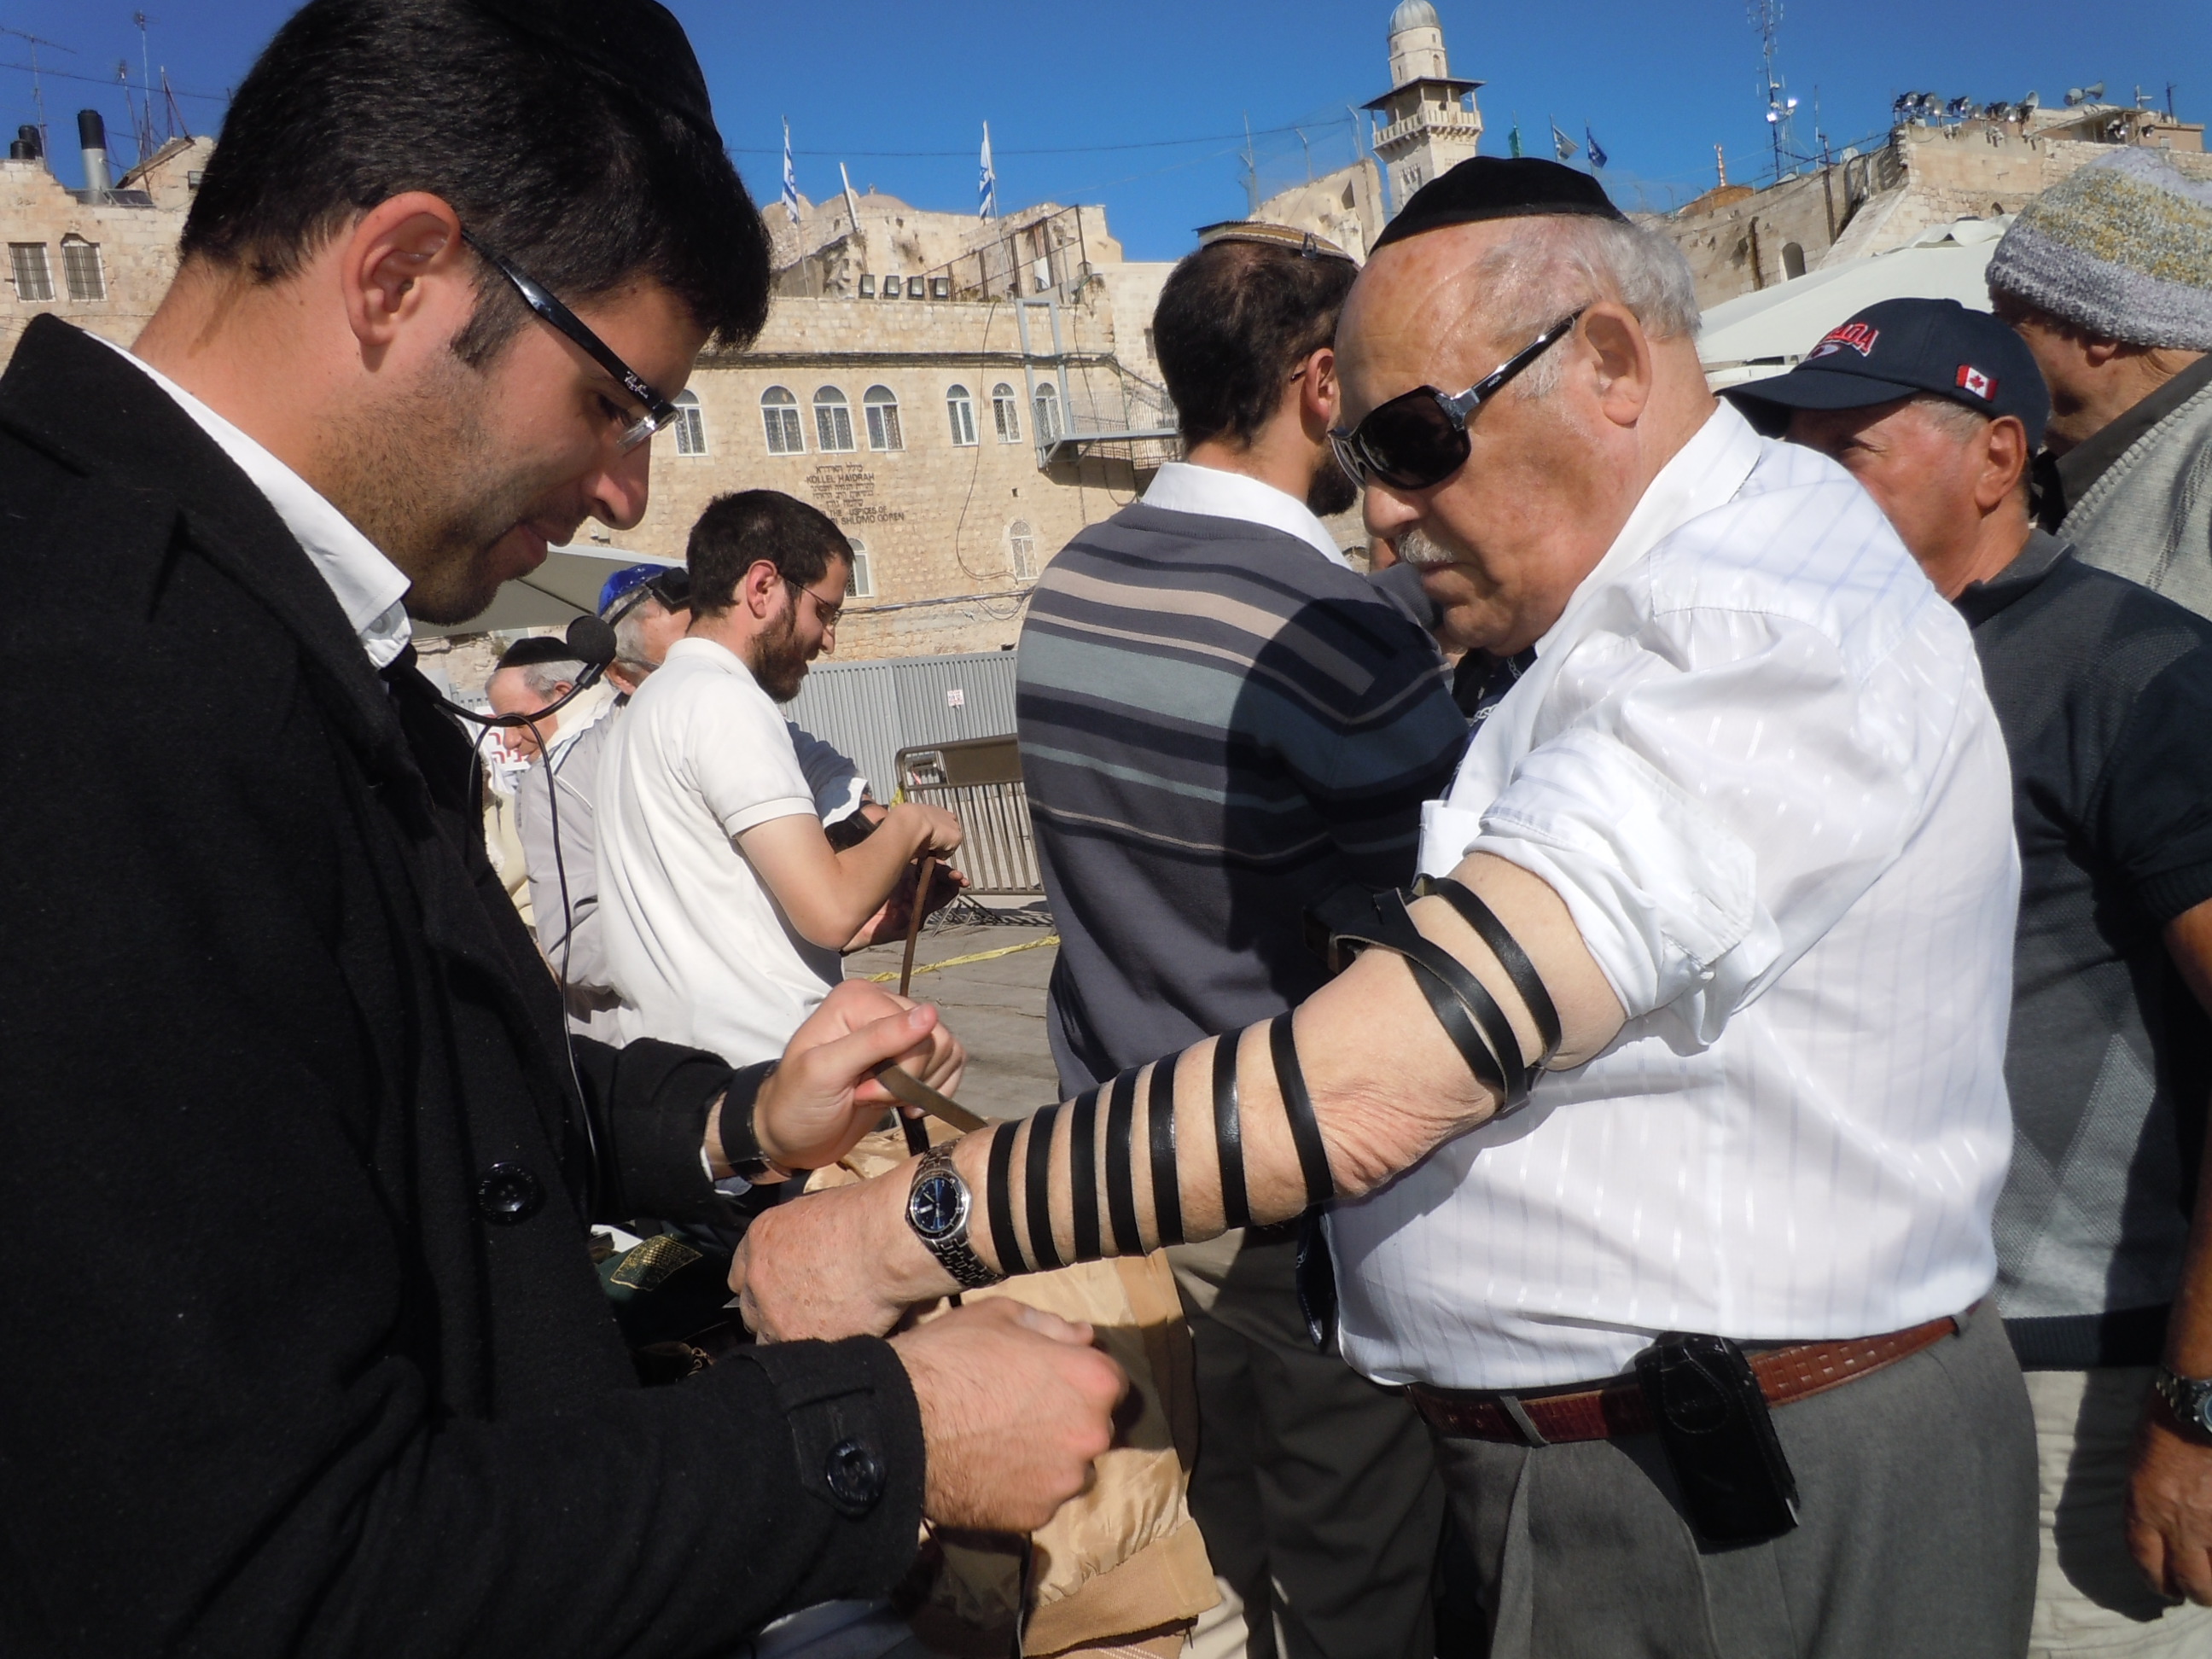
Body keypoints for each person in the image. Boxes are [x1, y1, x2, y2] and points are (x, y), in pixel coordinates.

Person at [736, 158, 2040, 1658]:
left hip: (1731, 1499)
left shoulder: (1752, 624)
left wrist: (909, 1230)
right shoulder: (1642, 603)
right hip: (1651, 1472)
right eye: (1360, 457)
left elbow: (1386, 1066)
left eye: (1417, 442)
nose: (1383, 513)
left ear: (1610, 363)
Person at [0, 3, 1126, 1650]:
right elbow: (247, 1568)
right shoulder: (84, 675)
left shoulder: (265, 629)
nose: (625, 492)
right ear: (400, 272)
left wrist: (736, 1118)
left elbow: (422, 1091)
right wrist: (889, 1432)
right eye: (614, 400)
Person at [1016, 221, 1467, 1659]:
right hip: (1293, 1199)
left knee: (1202, 1566)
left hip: (1118, 1180)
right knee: (1353, 1589)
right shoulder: (1335, 635)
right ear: (1322, 382)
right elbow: (1432, 940)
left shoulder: (1069, 587)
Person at [1737, 296, 2212, 1648]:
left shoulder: (2131, 672)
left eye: (1850, 448)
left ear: (1999, 456)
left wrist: (2197, 1403)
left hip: (2084, 1381)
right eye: (1791, 450)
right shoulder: (1817, 672)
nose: (1805, 486)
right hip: (1866, 1365)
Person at [598, 489, 962, 1067]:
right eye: (825, 611)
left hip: (684, 1070)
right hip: (759, 1069)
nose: (828, 638)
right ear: (763, 586)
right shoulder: (724, 703)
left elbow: (721, 918)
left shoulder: (648, 705)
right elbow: (829, 910)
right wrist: (912, 824)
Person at [521, 569, 874, 1037]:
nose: (700, 673)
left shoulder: (732, 710)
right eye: (678, 664)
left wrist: (860, 830)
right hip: (668, 1051)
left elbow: (832, 775)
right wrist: (776, 909)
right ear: (621, 675)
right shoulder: (560, 783)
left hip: (800, 1026)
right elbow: (575, 944)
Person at [1985, 148, 2212, 613]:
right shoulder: (2070, 469)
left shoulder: (2200, 476)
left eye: (2009, 318)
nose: (1991, 344)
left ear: (2100, 331)